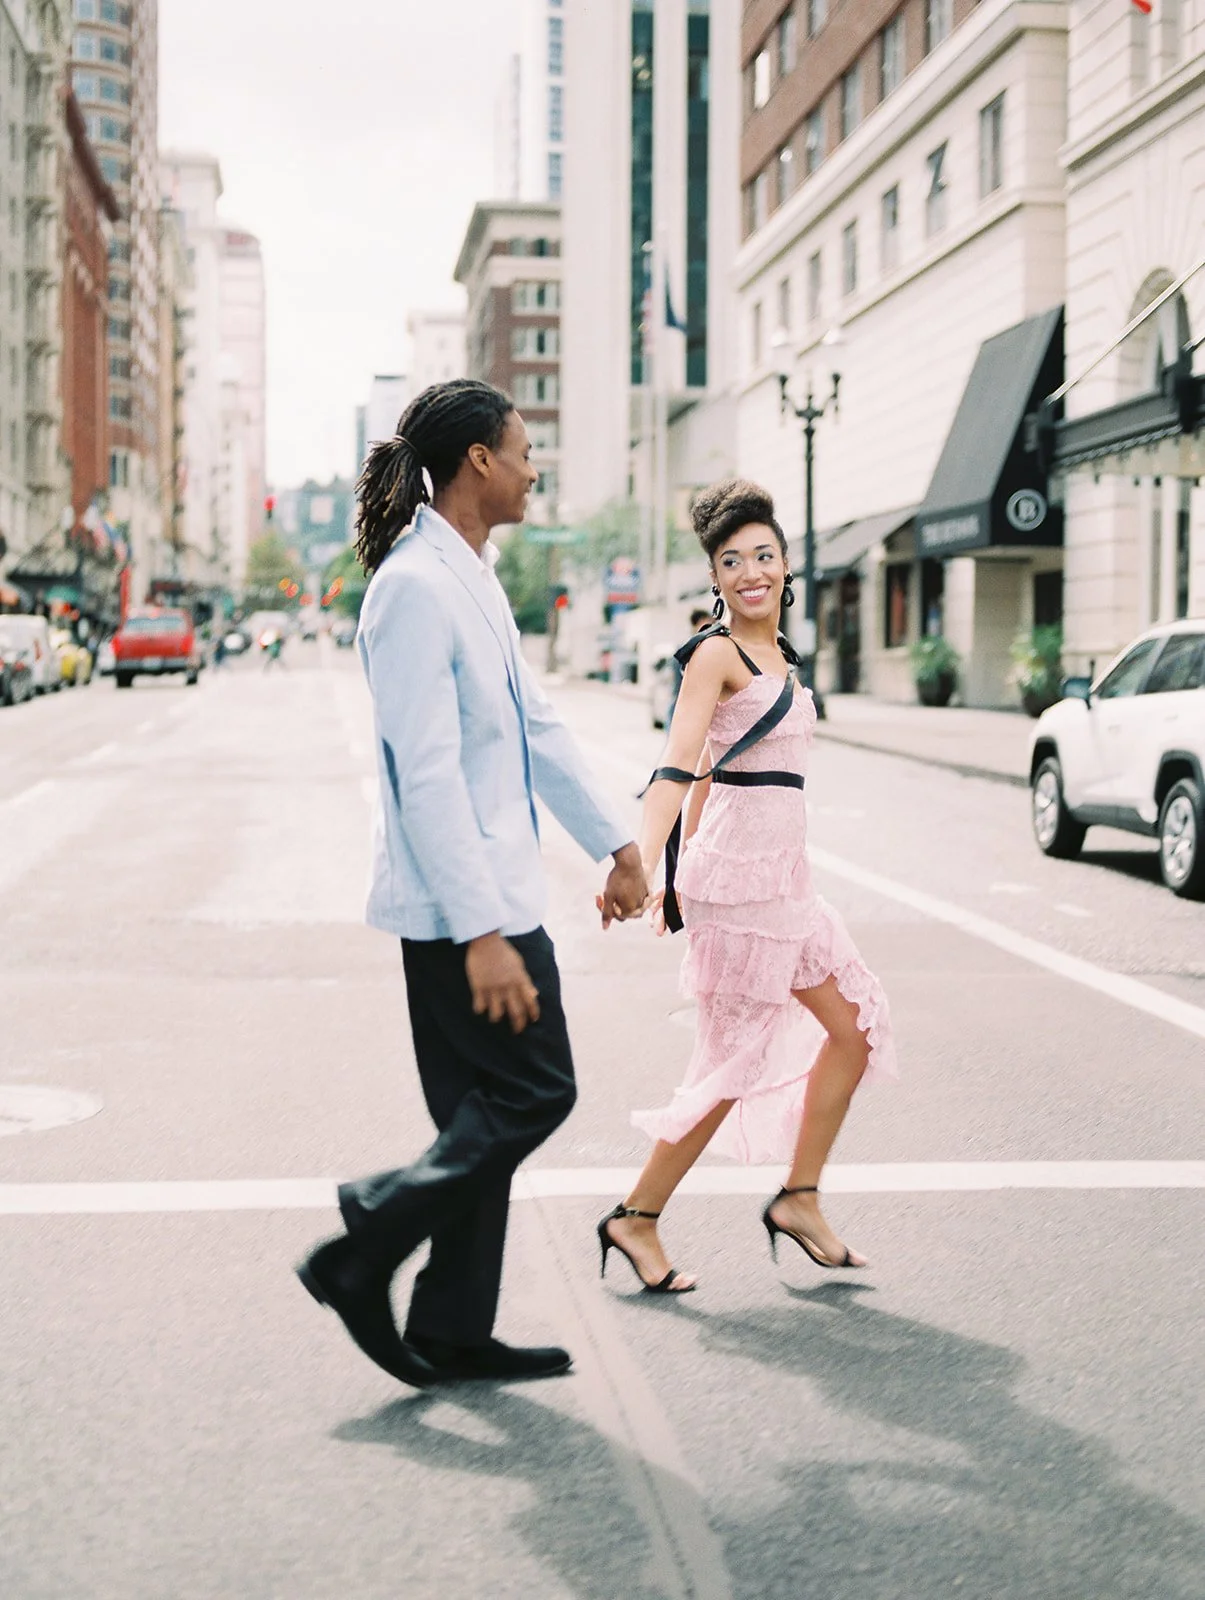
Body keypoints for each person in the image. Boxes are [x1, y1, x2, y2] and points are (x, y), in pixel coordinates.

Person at [298, 379, 647, 1387]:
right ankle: (365, 1239)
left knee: (481, 1114)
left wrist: (613, 846)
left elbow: (534, 725)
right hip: (467, 910)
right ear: (478, 462)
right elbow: (423, 772)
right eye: (524, 446)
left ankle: (450, 1327)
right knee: (538, 1088)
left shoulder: (469, 577)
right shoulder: (411, 588)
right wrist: (479, 933)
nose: (535, 466)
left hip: (489, 895)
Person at [598, 479, 897, 1294]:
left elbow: (715, 780)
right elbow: (678, 764)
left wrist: (676, 873)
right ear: (716, 579)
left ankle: (799, 1197)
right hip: (739, 892)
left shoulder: (782, 661)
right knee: (731, 1063)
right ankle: (635, 1217)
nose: (750, 571)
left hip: (782, 883)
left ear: (786, 565)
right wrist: (644, 859)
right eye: (732, 561)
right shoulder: (715, 656)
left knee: (856, 1028)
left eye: (763, 555)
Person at [664, 607, 714, 728]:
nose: (711, 627)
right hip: (683, 707)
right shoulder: (689, 649)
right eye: (708, 623)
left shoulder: (693, 646)